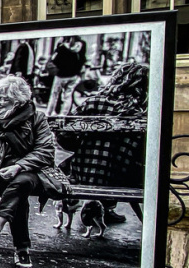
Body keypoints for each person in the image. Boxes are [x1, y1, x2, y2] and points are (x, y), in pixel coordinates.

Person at [0, 76, 55, 268]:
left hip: (28, 171)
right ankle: (21, 250)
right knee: (17, 194)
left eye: (3, 99)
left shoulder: (37, 119)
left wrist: (19, 166)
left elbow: (45, 151)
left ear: (18, 101)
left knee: (21, 184)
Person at [58, 63, 149, 224]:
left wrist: (82, 146)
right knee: (121, 162)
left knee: (77, 161)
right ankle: (105, 208)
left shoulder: (94, 102)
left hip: (82, 171)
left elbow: (64, 134)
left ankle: (92, 206)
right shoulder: (143, 110)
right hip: (120, 176)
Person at [46, 36, 87, 116]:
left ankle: (49, 113)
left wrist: (58, 45)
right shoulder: (81, 46)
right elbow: (82, 60)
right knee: (68, 96)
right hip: (73, 75)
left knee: (54, 95)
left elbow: (55, 60)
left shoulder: (62, 47)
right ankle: (63, 114)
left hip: (61, 75)